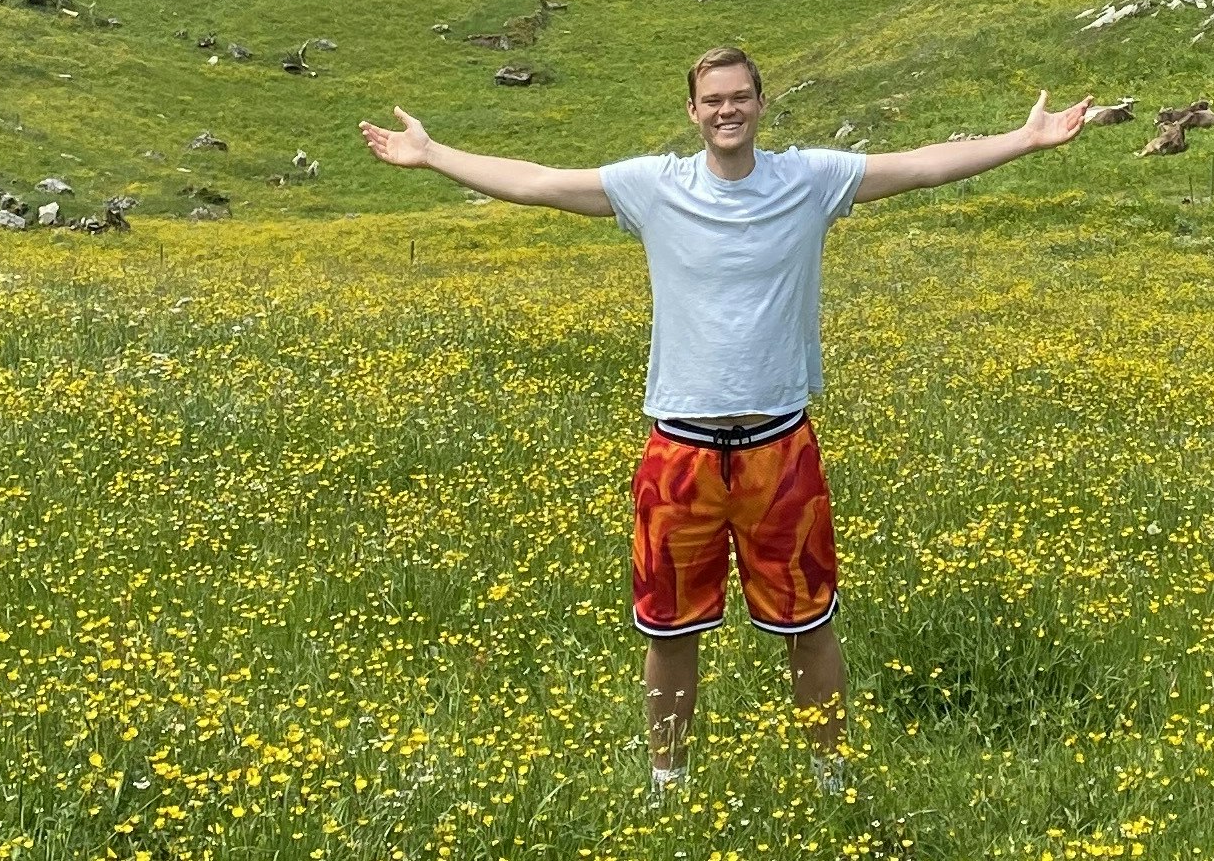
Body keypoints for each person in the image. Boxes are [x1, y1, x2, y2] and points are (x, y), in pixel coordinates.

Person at [360, 48, 1092, 798]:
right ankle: (668, 783)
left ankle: (831, 781)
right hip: (680, 453)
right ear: (693, 111)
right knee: (668, 631)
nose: (727, 110)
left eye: (739, 96)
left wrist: (1024, 139)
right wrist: (433, 154)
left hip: (780, 447)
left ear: (761, 103)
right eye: (712, 100)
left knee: (809, 626)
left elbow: (920, 166)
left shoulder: (810, 180)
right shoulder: (654, 187)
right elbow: (539, 182)